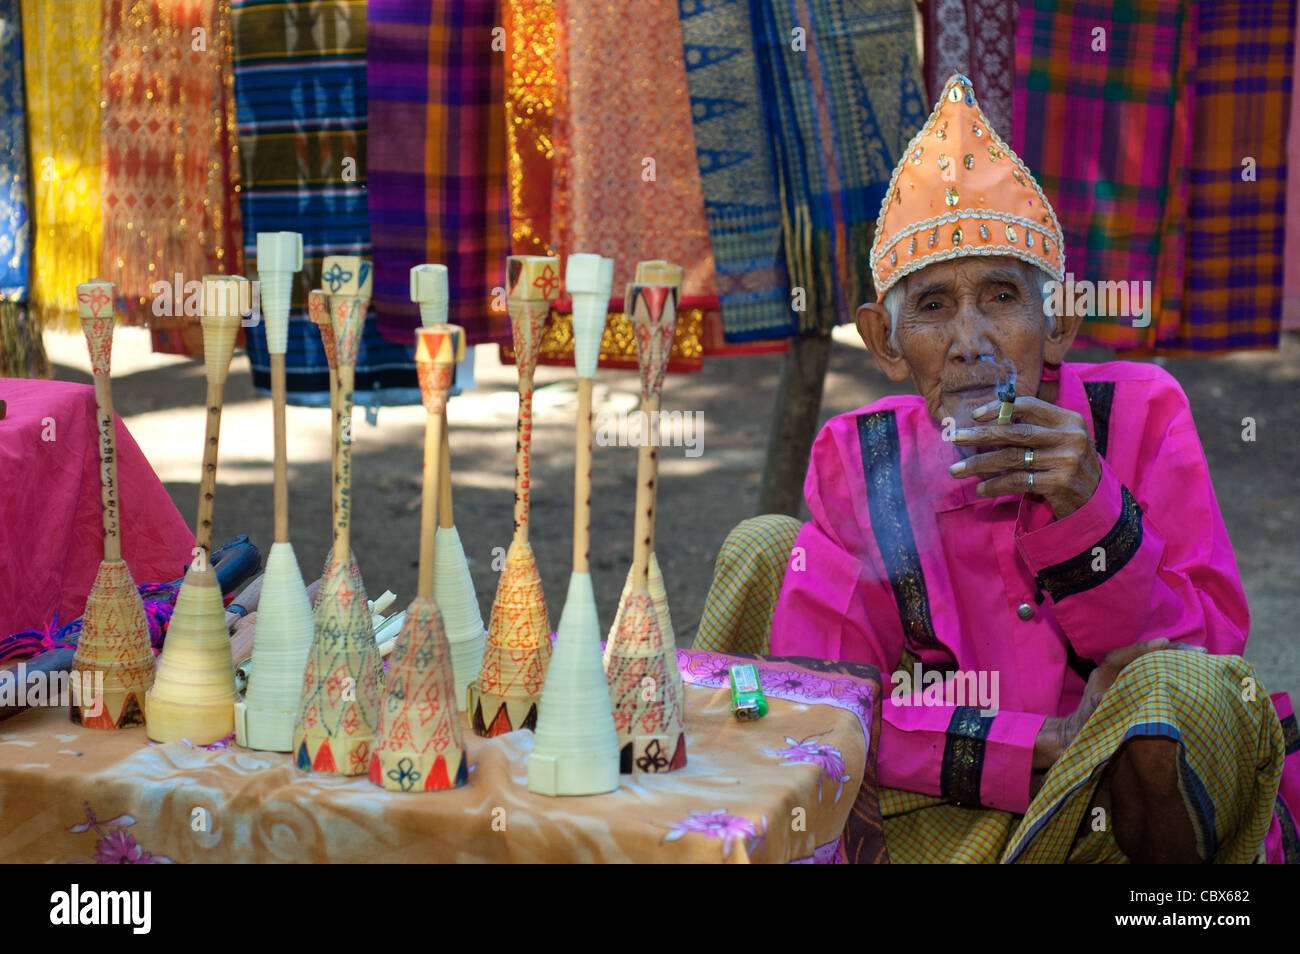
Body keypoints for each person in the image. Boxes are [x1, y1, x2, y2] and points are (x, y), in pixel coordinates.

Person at [695, 75, 1288, 863]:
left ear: (1060, 319)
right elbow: (831, 706)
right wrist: (1039, 741)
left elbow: (1207, 668)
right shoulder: (856, 461)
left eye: (1003, 296)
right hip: (950, 799)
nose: (971, 339)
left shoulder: (1141, 413)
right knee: (765, 545)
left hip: (1123, 809)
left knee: (1170, 691)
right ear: (885, 340)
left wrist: (1091, 511)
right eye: (935, 307)